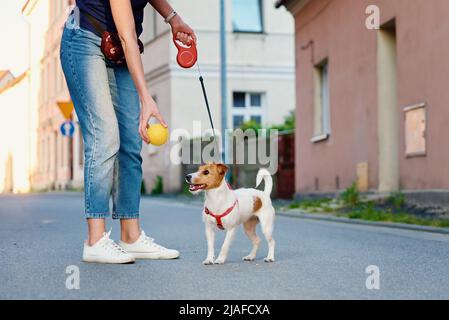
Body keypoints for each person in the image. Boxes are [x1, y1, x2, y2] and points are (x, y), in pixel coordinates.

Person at [60, 0, 196, 264]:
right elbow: (127, 33)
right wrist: (147, 97)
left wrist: (172, 18)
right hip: (84, 41)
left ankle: (131, 236)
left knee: (132, 141)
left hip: (117, 48)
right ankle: (95, 240)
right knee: (105, 135)